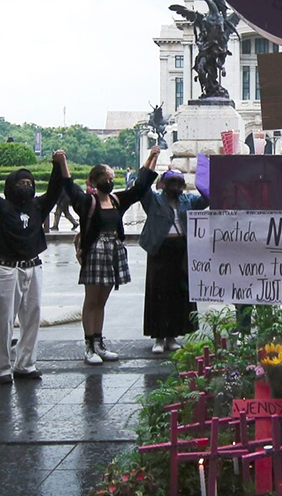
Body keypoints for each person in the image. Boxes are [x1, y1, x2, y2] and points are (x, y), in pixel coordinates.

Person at [0, 150, 77, 382]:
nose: (26, 186)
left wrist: (58, 163)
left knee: (32, 317)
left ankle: (26, 364)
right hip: (6, 268)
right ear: (11, 185)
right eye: (21, 182)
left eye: (29, 182)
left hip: (33, 267)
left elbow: (56, 189)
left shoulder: (38, 206)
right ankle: (3, 367)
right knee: (4, 320)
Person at [75, 150, 160, 364]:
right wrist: (61, 163)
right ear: (95, 181)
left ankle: (99, 342)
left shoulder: (116, 200)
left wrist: (152, 159)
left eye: (112, 178)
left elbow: (139, 188)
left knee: (102, 301)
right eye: (106, 178)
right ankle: (89, 346)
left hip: (112, 251)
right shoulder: (88, 202)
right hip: (95, 253)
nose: (110, 181)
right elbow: (67, 185)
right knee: (91, 300)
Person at [139, 166, 204, 353]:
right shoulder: (154, 200)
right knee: (158, 293)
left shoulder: (188, 200)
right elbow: (141, 187)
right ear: (163, 184)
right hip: (160, 250)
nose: (175, 186)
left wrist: (204, 177)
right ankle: (158, 337)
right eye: (171, 182)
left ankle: (172, 336)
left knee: (179, 294)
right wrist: (151, 161)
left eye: (179, 183)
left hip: (181, 250)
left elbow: (206, 199)